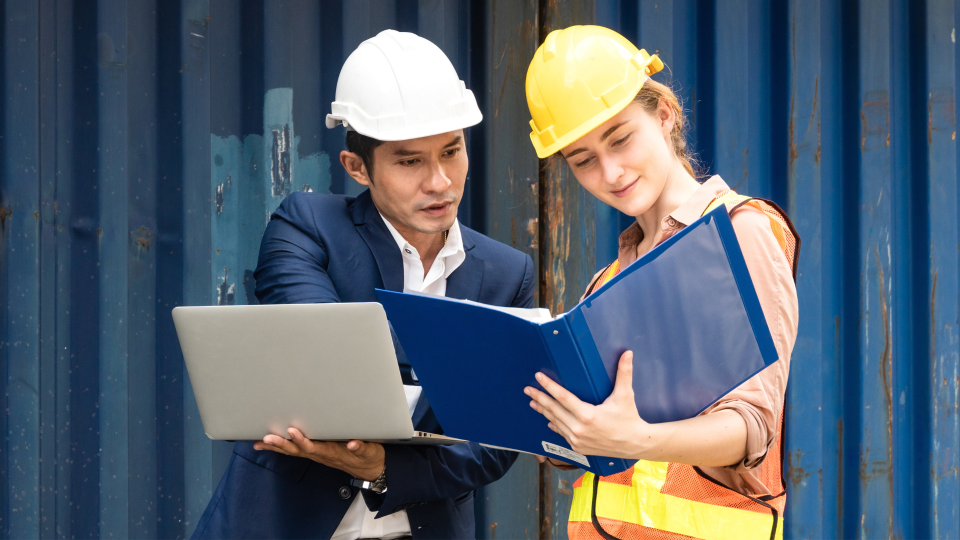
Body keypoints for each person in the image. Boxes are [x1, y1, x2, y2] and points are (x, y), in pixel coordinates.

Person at [191, 30, 534, 540]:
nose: (440, 181)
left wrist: (384, 468)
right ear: (357, 168)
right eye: (409, 160)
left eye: (451, 151)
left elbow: (497, 444)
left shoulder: (508, 274)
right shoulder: (308, 225)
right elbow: (322, 356)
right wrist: (453, 392)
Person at [521, 26, 800, 540]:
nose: (610, 172)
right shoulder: (609, 279)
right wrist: (556, 422)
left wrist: (633, 438)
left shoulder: (740, 234)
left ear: (664, 114)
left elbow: (752, 428)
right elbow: (598, 443)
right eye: (583, 161)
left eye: (620, 139)